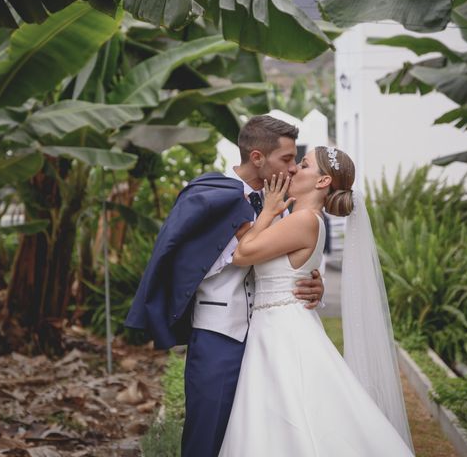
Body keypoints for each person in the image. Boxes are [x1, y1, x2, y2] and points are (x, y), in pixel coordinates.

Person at [125, 116, 325, 457]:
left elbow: (281, 260)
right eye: (287, 159)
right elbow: (183, 267)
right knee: (208, 434)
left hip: (270, 339)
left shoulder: (276, 201)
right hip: (220, 335)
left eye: (295, 160)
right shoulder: (207, 194)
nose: (292, 169)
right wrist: (229, 247)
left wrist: (312, 283)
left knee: (260, 436)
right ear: (258, 158)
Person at [218, 147, 416, 456]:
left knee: (292, 415)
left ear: (323, 180)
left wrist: (268, 210)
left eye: (304, 164)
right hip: (275, 326)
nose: (294, 168)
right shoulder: (300, 219)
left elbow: (242, 254)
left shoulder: (304, 221)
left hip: (281, 330)